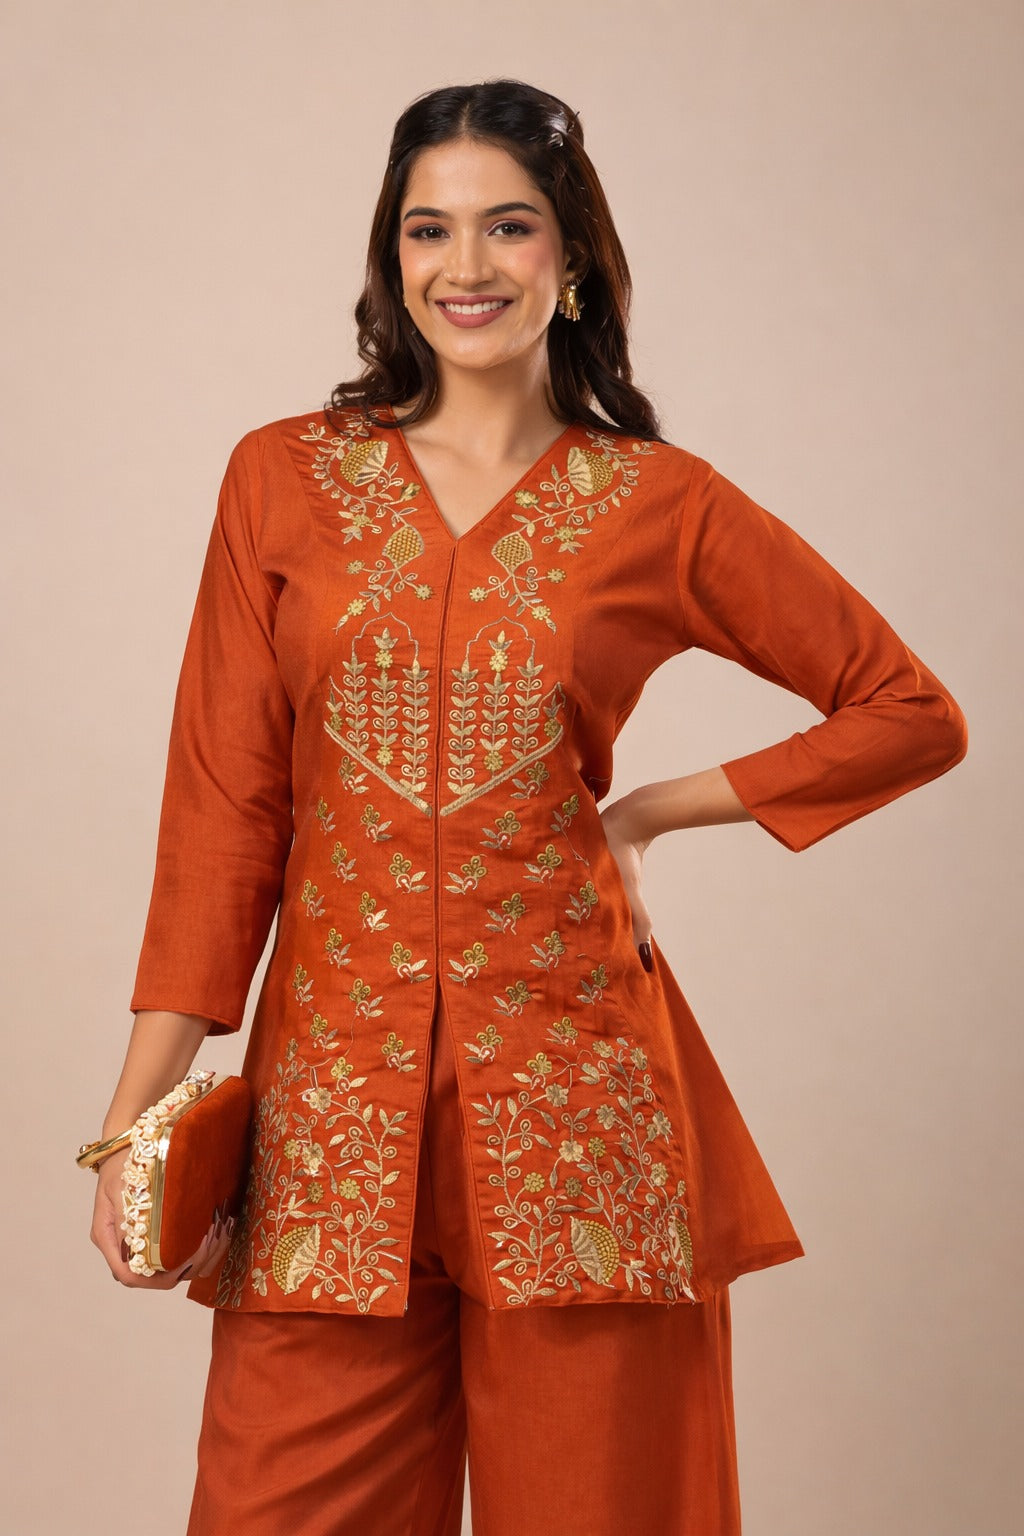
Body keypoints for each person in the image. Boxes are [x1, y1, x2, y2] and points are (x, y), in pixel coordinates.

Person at [86, 79, 967, 1535]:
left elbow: (907, 711)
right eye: (428, 230)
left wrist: (653, 811)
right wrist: (135, 1117)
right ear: (392, 259)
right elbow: (225, 809)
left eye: (509, 226)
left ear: (573, 260)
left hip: (577, 1105)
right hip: (329, 1115)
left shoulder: (655, 501)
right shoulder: (283, 481)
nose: (467, 266)